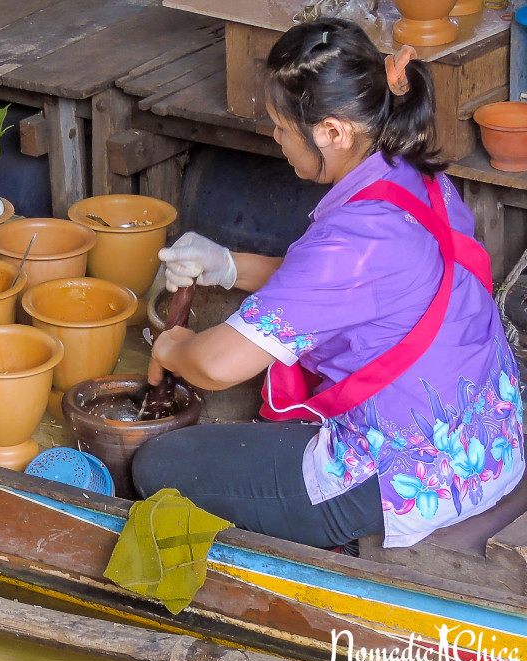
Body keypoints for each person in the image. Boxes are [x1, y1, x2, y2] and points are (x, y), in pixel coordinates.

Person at [131, 17, 525, 550]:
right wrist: (229, 263)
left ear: (333, 132)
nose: (275, 138)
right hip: (491, 432)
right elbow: (345, 293)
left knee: (158, 463)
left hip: (419, 478)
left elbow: (216, 366)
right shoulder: (413, 174)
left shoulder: (351, 243)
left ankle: (317, 550)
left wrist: (175, 348)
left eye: (281, 127)